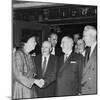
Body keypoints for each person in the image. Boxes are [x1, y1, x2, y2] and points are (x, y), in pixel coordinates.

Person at [81, 25, 97, 94]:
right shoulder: (87, 50)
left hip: (94, 90)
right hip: (85, 90)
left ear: (92, 36)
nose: (83, 39)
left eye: (84, 36)